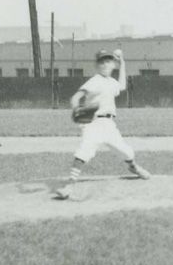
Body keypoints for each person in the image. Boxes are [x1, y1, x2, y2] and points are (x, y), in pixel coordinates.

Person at [51, 49, 149, 199]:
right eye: (101, 62)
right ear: (97, 66)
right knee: (84, 151)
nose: (104, 64)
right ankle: (69, 186)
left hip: (109, 125)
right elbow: (76, 97)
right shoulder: (95, 80)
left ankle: (133, 167)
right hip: (93, 123)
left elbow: (122, 85)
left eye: (108, 61)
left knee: (126, 152)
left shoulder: (111, 82)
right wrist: (76, 108)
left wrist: (123, 63)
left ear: (113, 65)